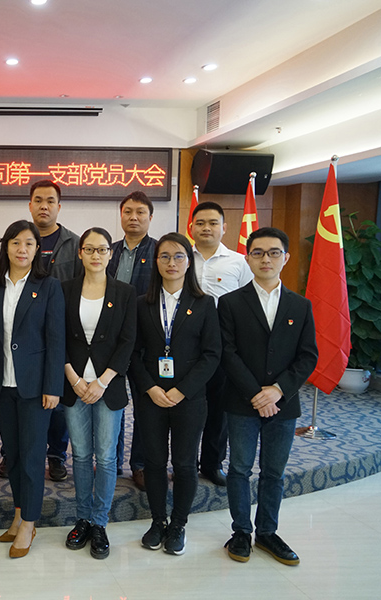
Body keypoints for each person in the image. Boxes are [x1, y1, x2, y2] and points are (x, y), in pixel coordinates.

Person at [219, 227, 317, 566]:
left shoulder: (300, 305)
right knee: (239, 468)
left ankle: (267, 532)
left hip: (283, 405)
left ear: (285, 258)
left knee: (274, 472)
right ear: (248, 258)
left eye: (274, 252)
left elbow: (308, 356)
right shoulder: (230, 303)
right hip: (241, 401)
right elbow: (227, 352)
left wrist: (277, 390)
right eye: (258, 252)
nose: (266, 259)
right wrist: (255, 393)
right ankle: (241, 531)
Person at [129, 232, 220, 556]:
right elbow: (133, 353)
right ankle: (158, 521)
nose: (172, 262)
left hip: (189, 398)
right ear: (156, 262)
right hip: (151, 397)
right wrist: (150, 388)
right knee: (154, 462)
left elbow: (212, 354)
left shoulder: (205, 303)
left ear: (189, 261)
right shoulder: (141, 304)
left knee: (184, 463)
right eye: (165, 256)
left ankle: (178, 524)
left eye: (178, 256)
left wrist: (182, 390)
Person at [0, 220, 64, 558]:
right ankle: (18, 513)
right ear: (6, 247)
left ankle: (30, 522)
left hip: (35, 387)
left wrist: (53, 386)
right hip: (2, 385)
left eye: (29, 243)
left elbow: (56, 340)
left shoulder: (49, 286)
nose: (22, 249)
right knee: (13, 454)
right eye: (15, 242)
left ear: (37, 250)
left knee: (32, 457)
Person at [62, 227, 136, 560]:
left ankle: (100, 522)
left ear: (110, 254)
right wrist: (74, 379)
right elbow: (57, 337)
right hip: (74, 384)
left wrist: (102, 381)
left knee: (105, 457)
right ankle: (83, 519)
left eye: (102, 249)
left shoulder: (125, 292)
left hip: (108, 386)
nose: (96, 255)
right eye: (89, 249)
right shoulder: (65, 289)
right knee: (80, 455)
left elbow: (128, 341)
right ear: (80, 253)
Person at [190, 201, 254, 487]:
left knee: (219, 409)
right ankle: (186, 462)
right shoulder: (181, 257)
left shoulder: (239, 262)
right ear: (191, 227)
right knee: (187, 408)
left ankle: (212, 464)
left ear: (224, 227)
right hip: (186, 346)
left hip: (223, 346)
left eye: (213, 223)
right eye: (201, 223)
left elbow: (248, 304)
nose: (206, 228)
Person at [27, 180, 81, 482]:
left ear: (59, 207)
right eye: (38, 200)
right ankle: (13, 453)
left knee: (57, 398)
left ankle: (56, 455)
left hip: (61, 332)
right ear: (30, 205)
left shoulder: (73, 243)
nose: (44, 206)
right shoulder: (20, 239)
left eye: (50, 201)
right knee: (23, 394)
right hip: (24, 333)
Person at [107, 190, 157, 489]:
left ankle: (139, 464)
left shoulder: (159, 251)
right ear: (121, 215)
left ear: (150, 217)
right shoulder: (109, 250)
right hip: (111, 341)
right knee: (113, 404)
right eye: (128, 212)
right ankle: (111, 461)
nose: (133, 217)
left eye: (140, 212)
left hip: (145, 341)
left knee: (144, 406)